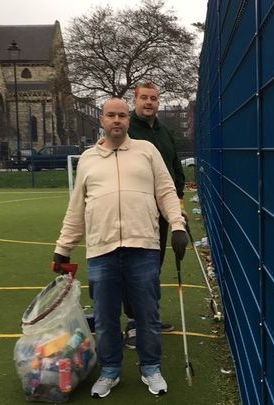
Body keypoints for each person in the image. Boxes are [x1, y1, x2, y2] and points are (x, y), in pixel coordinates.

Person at [51, 97, 188, 398]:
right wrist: (63, 247)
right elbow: (76, 209)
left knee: (147, 314)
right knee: (105, 316)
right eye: (111, 115)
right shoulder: (88, 159)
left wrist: (177, 226)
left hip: (143, 246)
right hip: (102, 249)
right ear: (101, 120)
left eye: (122, 116)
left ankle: (151, 367)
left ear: (128, 120)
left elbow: (166, 191)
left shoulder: (147, 151)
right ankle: (110, 370)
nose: (117, 120)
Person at [122, 81, 186, 349]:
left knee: (153, 266)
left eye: (154, 99)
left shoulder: (164, 133)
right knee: (135, 265)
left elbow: (174, 168)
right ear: (135, 101)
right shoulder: (127, 131)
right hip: (137, 211)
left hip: (163, 211)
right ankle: (134, 322)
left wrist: (177, 204)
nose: (149, 103)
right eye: (144, 98)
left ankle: (148, 316)